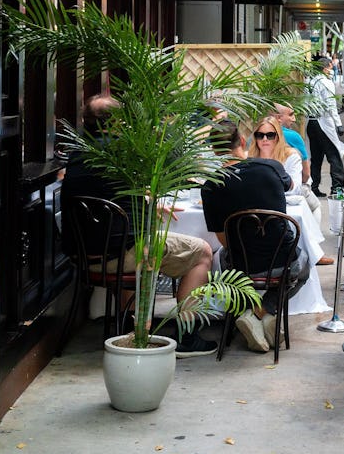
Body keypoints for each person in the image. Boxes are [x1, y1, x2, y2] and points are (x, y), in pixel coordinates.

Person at [60, 94, 218, 357]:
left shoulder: (79, 154)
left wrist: (147, 202)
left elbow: (107, 197)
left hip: (84, 256)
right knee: (201, 252)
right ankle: (188, 336)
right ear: (118, 122)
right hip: (124, 255)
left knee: (131, 241)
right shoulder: (126, 153)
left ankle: (126, 327)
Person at [203, 120, 312, 354]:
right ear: (243, 141)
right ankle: (267, 310)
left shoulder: (211, 186)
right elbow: (292, 184)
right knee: (305, 267)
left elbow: (225, 241)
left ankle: (248, 313)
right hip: (283, 261)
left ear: (213, 149)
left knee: (222, 257)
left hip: (243, 265)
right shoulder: (270, 167)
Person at [306, 56, 344, 197]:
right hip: (324, 123)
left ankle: (313, 187)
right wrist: (339, 124)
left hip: (311, 122)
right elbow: (331, 105)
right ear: (325, 68)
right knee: (334, 155)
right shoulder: (326, 83)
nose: (332, 69)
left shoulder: (309, 82)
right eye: (330, 67)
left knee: (316, 157)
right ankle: (337, 188)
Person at [249, 116, 301, 191]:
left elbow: (296, 189)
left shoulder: (291, 157)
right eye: (260, 135)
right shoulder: (248, 157)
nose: (265, 139)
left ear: (278, 136)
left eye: (270, 135)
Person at [273, 103, 311, 190]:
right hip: (289, 188)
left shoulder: (254, 136)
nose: (294, 119)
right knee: (315, 204)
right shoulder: (293, 136)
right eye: (290, 115)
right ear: (278, 117)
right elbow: (306, 174)